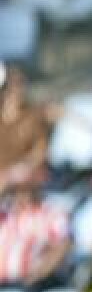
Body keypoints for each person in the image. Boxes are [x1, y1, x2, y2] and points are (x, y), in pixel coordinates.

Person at [0, 65, 50, 197]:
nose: (18, 90)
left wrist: (17, 170)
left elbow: (40, 152)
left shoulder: (33, 116)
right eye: (14, 85)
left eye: (21, 84)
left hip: (27, 178)